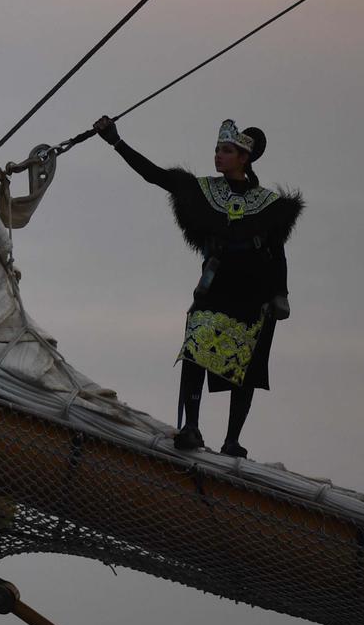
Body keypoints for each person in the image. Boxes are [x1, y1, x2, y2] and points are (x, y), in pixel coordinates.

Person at [92, 115, 302, 458]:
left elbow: (277, 251)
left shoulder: (268, 204)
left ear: (243, 159)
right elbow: (155, 176)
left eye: (225, 150)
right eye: (217, 149)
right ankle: (191, 426)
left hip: (255, 289)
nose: (218, 156)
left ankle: (232, 439)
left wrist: (282, 293)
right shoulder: (203, 190)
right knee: (196, 348)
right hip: (217, 282)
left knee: (246, 364)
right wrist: (117, 141)